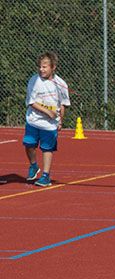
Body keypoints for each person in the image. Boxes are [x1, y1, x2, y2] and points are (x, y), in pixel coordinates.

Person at [23, 51, 71, 187]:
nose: (41, 69)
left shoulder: (61, 84)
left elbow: (63, 104)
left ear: (53, 67)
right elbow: (31, 102)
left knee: (47, 149)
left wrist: (60, 120)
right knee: (28, 144)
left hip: (49, 125)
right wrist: (48, 112)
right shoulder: (34, 80)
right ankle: (33, 165)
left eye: (44, 67)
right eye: (40, 66)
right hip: (33, 120)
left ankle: (45, 176)